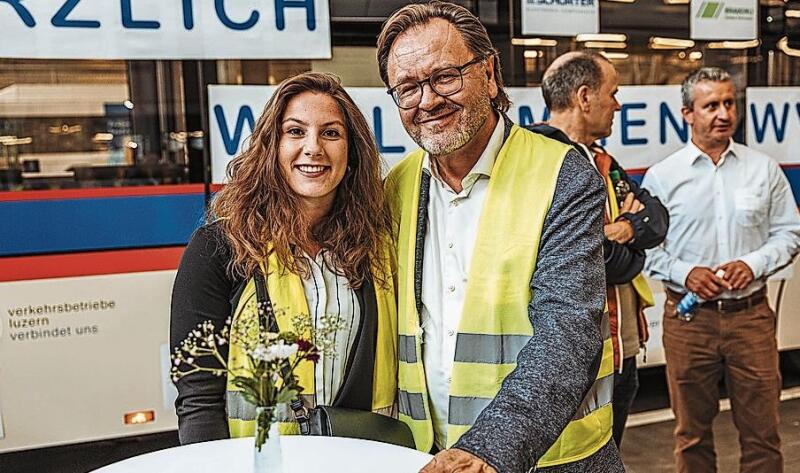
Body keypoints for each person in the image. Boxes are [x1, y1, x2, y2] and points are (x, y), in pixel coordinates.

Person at [378, 3, 623, 472]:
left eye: (445, 76)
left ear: (489, 74)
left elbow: (569, 329)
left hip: (552, 460)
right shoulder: (396, 187)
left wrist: (489, 447)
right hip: (431, 458)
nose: (428, 100)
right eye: (407, 89)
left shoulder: (562, 174)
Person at [170, 72, 398, 444]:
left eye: (331, 133)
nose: (313, 148)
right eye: (295, 131)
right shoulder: (218, 248)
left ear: (352, 152)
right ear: (271, 146)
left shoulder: (374, 245)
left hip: (359, 458)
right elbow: (198, 399)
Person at [642, 67, 800, 472]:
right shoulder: (664, 177)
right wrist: (685, 272)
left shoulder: (762, 169)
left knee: (763, 434)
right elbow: (648, 249)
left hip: (751, 320)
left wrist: (753, 263)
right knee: (691, 437)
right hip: (689, 321)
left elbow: (789, 232)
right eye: (710, 105)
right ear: (687, 113)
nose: (723, 113)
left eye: (729, 103)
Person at [528, 51, 668, 448]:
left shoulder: (602, 160)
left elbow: (656, 219)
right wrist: (628, 246)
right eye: (613, 94)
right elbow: (601, 261)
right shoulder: (541, 160)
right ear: (585, 96)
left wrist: (622, 230)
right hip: (579, 352)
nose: (618, 105)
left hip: (620, 350)